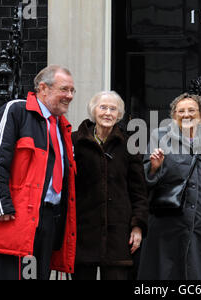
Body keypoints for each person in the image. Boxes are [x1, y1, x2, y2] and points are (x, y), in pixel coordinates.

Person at [0, 65, 77, 279]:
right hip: (15, 218)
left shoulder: (61, 126)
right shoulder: (17, 110)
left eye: (72, 91)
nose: (70, 96)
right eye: (64, 89)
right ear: (43, 88)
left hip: (48, 218)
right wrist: (1, 207)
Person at [137, 93, 201, 280]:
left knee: (198, 273)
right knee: (166, 272)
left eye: (192, 110)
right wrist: (154, 167)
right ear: (173, 116)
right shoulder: (159, 137)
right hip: (168, 220)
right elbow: (143, 177)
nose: (186, 114)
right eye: (181, 111)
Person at [71, 91, 148, 280]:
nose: (108, 113)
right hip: (82, 230)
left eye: (113, 109)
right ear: (93, 111)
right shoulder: (74, 141)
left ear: (119, 114)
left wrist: (137, 226)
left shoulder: (129, 144)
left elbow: (139, 190)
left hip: (118, 233)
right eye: (103, 107)